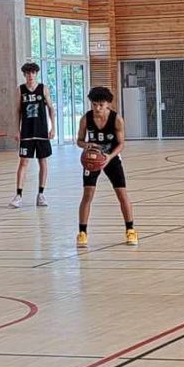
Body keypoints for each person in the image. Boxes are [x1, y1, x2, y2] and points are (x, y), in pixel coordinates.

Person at [76, 86, 137, 248]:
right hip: (92, 159)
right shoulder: (86, 119)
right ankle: (82, 233)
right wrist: (86, 145)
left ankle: (130, 230)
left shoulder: (117, 119)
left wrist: (109, 157)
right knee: (87, 195)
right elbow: (79, 140)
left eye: (101, 105)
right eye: (94, 104)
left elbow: (121, 144)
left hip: (111, 158)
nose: (97, 108)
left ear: (108, 104)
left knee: (122, 194)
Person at [11, 63, 54, 208]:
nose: (30, 75)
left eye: (33, 73)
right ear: (24, 75)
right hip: (27, 132)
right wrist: (17, 129)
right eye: (28, 73)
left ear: (36, 74)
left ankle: (41, 194)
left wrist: (53, 127)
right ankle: (18, 195)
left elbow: (51, 108)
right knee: (23, 162)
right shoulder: (20, 90)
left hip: (41, 132)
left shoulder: (43, 89)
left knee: (43, 162)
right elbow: (17, 111)